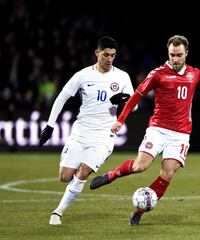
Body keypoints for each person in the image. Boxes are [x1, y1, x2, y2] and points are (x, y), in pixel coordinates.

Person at [89, 35, 200, 226]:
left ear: (186, 53)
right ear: (168, 53)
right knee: (141, 166)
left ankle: (139, 210)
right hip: (158, 128)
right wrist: (121, 119)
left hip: (181, 134)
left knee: (168, 173)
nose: (175, 59)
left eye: (179, 55)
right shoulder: (158, 74)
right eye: (172, 55)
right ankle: (111, 175)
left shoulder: (194, 74)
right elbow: (136, 96)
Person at [39, 36, 136, 225]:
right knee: (65, 177)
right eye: (106, 55)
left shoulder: (122, 77)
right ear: (97, 53)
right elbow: (61, 98)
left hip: (104, 135)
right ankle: (72, 185)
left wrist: (125, 100)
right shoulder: (83, 75)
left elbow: (135, 106)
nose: (109, 59)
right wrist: (50, 125)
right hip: (81, 132)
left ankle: (57, 213)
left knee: (83, 172)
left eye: (113, 56)